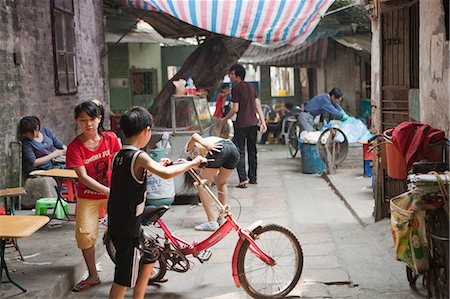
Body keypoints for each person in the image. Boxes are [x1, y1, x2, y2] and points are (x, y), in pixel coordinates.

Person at [108, 106, 206, 299]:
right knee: (123, 278)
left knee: (150, 258)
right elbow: (167, 174)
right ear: (146, 130)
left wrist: (156, 167)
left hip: (122, 222)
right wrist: (192, 163)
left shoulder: (119, 156)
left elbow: (135, 175)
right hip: (128, 228)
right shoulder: (140, 156)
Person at [66, 99, 122, 292]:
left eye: (92, 119)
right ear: (77, 122)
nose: (88, 124)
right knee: (85, 235)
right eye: (83, 120)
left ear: (99, 118)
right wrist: (106, 190)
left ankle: (131, 269)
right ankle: (93, 275)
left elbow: (119, 162)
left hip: (112, 191)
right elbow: (82, 177)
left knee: (125, 230)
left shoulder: (111, 139)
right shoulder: (74, 147)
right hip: (88, 195)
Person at [221, 64, 267, 188]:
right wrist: (263, 122)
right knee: (252, 151)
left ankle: (243, 179)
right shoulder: (252, 87)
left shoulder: (236, 88)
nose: (230, 76)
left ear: (237, 75)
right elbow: (258, 105)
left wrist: (224, 119)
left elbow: (235, 109)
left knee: (240, 151)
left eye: (231, 74)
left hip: (241, 124)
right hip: (253, 123)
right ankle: (253, 178)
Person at [184, 133, 239, 231]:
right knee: (221, 182)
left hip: (218, 149)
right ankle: (221, 218)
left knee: (201, 185)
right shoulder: (203, 157)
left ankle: (211, 222)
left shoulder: (188, 151)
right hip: (233, 149)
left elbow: (194, 136)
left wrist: (205, 145)